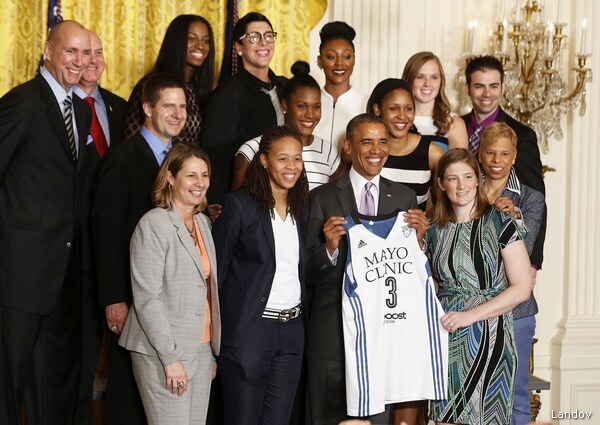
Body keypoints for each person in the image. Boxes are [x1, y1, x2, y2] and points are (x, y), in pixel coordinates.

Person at [306, 113, 427, 425]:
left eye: (383, 141)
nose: (377, 149)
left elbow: (412, 271)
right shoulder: (320, 197)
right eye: (367, 141)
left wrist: (420, 241)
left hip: (383, 336)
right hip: (332, 334)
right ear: (348, 146)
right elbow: (304, 270)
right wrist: (329, 248)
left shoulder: (405, 196)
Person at [0, 20, 92, 424]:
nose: (78, 61)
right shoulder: (23, 102)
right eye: (70, 51)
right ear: (47, 50)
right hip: (19, 274)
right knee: (7, 384)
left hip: (62, 279)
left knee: (49, 390)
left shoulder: (81, 112)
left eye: (85, 54)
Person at [92, 74, 187, 425]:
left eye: (182, 106)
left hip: (168, 297)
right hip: (131, 298)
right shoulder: (122, 160)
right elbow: (106, 234)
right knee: (127, 392)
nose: (177, 113)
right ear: (148, 108)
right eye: (168, 106)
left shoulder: (179, 160)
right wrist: (113, 298)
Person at [425, 148, 533, 424]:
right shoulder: (433, 229)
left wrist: (470, 316)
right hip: (446, 333)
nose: (461, 186)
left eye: (467, 177)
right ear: (441, 184)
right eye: (452, 179)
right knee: (444, 418)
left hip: (490, 334)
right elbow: (431, 286)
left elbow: (522, 288)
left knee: (485, 417)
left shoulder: (499, 221)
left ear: (478, 180)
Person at [212, 126, 309, 424]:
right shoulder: (239, 206)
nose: (291, 167)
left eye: (297, 158)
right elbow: (217, 273)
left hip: (291, 333)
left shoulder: (302, 207)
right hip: (249, 332)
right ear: (265, 160)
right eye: (283, 159)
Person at [118, 143, 220, 424]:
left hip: (200, 347)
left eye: (205, 175)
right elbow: (147, 299)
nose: (200, 183)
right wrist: (169, 358)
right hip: (161, 350)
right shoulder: (154, 224)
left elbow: (207, 291)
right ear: (171, 178)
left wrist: (209, 352)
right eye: (191, 175)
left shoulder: (203, 224)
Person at [72, 30, 128, 425]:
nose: (92, 59)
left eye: (98, 51)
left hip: (110, 253)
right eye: (83, 52)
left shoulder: (118, 107)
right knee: (71, 360)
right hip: (68, 250)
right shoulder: (57, 108)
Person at [478, 122, 545, 425]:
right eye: (490, 152)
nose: (497, 160)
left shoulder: (530, 199)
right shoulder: (465, 190)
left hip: (517, 314)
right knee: (475, 396)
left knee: (515, 398)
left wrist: (513, 218)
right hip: (473, 309)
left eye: (504, 153)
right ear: (479, 154)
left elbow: (525, 249)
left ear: (515, 156)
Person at [461, 55, 546, 275]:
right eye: (479, 86)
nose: (487, 94)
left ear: (503, 87)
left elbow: (537, 201)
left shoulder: (523, 135)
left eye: (493, 86)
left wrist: (533, 263)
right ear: (467, 88)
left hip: (505, 256)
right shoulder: (455, 126)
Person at [199, 12, 287, 205]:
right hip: (247, 202)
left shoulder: (286, 87)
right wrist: (218, 208)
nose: (263, 42)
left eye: (268, 36)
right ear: (238, 48)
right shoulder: (228, 96)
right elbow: (215, 162)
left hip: (285, 197)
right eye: (253, 37)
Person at [232, 61, 340, 191]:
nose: (310, 115)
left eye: (316, 107)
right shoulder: (253, 148)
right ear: (284, 105)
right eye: (302, 106)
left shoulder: (329, 152)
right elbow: (236, 205)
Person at [122, 14, 215, 145]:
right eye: (192, 39)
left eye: (206, 41)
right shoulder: (151, 85)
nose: (201, 46)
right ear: (177, 42)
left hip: (189, 163)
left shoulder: (197, 88)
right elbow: (131, 141)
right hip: (157, 165)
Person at [367, 78, 444, 211]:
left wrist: (424, 222)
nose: (402, 116)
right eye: (393, 109)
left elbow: (443, 204)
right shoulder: (364, 149)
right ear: (377, 109)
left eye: (408, 109)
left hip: (415, 232)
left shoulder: (432, 153)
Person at [402, 51, 468, 151]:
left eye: (434, 77)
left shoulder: (454, 123)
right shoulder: (394, 119)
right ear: (408, 80)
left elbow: (459, 166)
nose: (427, 83)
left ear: (441, 82)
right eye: (420, 77)